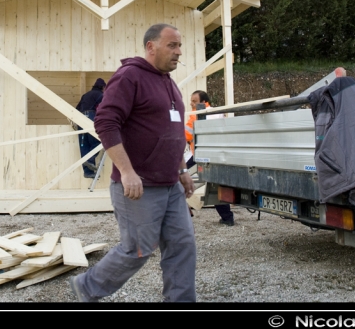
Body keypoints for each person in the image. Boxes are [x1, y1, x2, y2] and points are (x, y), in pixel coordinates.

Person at [69, 23, 197, 303]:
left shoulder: (170, 84)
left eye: (179, 45)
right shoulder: (129, 76)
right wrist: (126, 171)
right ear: (151, 47)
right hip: (138, 186)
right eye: (172, 45)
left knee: (183, 245)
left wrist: (182, 169)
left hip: (170, 185)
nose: (178, 51)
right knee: (137, 249)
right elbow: (105, 121)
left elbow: (171, 132)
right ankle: (87, 287)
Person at [184, 90, 235, 226]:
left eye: (194, 101)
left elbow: (185, 135)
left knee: (178, 177)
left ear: (203, 102)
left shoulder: (197, 114)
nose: (191, 103)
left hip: (200, 155)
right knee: (217, 186)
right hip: (218, 156)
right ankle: (227, 218)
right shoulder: (218, 112)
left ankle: (183, 210)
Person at [75, 78, 106, 178]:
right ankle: (90, 160)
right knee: (99, 140)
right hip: (91, 117)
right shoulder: (100, 95)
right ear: (102, 87)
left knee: (84, 145)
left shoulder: (85, 95)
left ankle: (88, 172)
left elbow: (77, 109)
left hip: (80, 119)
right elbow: (106, 108)